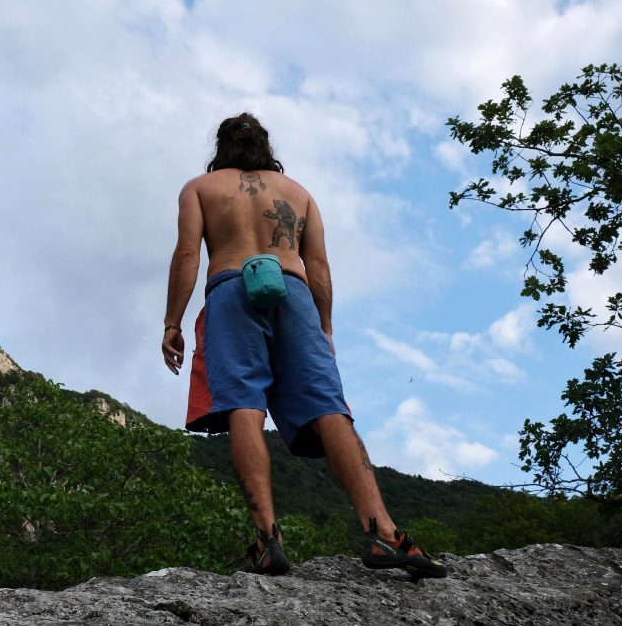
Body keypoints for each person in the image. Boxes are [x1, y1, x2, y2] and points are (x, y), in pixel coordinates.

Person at [161, 112, 446, 580]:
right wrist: (325, 326)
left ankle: (268, 540)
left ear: (221, 148)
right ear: (265, 147)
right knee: (330, 408)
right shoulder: (300, 194)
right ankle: (384, 534)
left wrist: (172, 321)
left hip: (232, 289)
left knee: (244, 406)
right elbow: (319, 268)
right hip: (294, 294)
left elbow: (188, 255)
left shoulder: (199, 188)